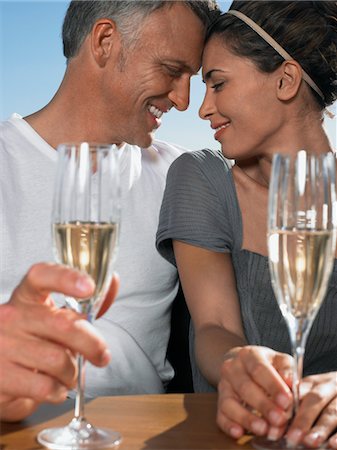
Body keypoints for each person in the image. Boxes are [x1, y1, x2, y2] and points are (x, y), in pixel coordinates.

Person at [0, 0, 219, 422]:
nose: (183, 99)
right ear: (104, 42)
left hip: (144, 437)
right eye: (173, 70)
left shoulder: (182, 177)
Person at [156, 1, 337, 448]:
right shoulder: (201, 177)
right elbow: (215, 325)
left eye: (217, 84)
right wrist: (237, 361)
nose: (203, 109)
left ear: (285, 79)